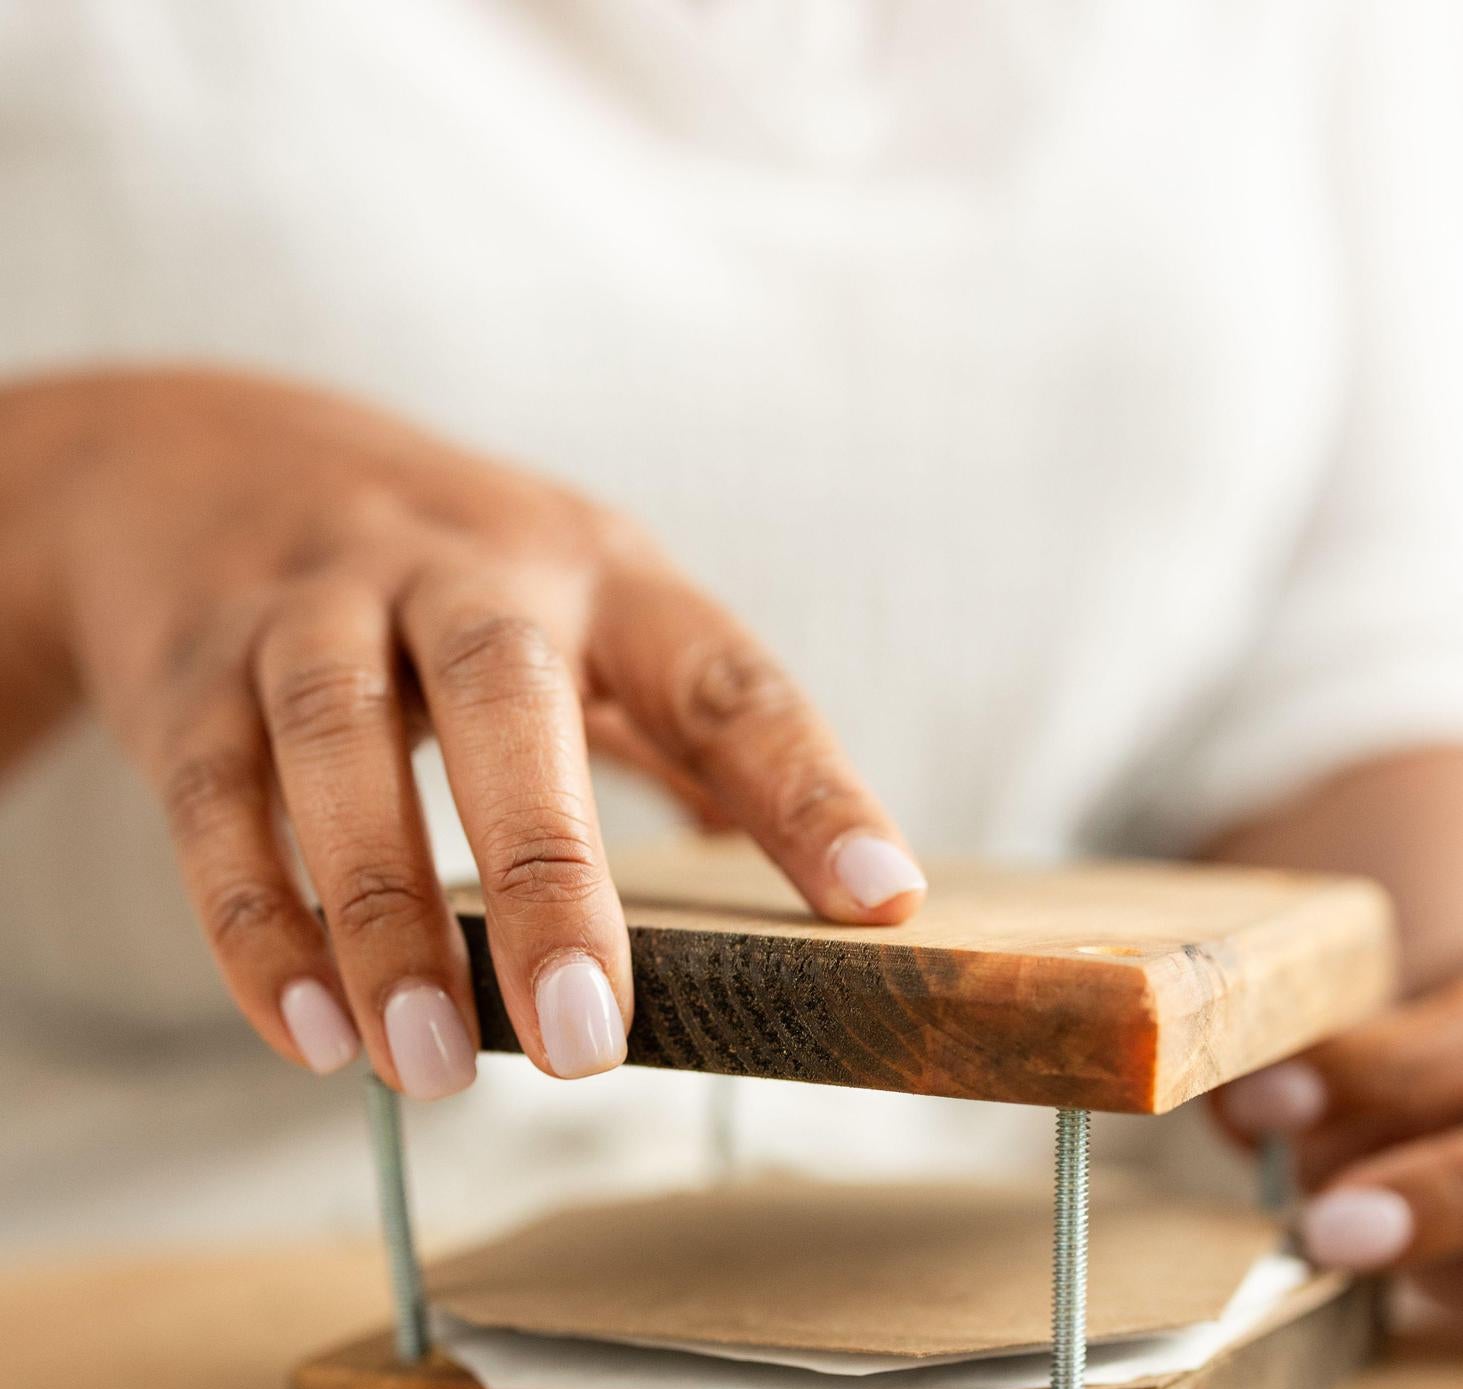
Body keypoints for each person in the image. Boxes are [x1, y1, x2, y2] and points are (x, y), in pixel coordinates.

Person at [1, 0, 1461, 1307]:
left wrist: (1436, 993)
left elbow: (1345, 669)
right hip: (144, 1286)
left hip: (999, 1269)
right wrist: (61, 479)